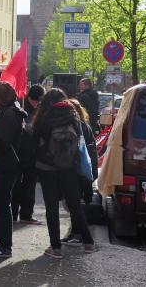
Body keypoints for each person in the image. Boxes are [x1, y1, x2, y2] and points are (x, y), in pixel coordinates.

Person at [32, 88, 96, 258]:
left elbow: (34, 139)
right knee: (75, 205)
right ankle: (88, 243)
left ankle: (56, 248)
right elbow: (81, 141)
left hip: (47, 168)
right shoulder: (73, 115)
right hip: (69, 167)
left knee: (51, 208)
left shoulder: (44, 117)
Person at [0, 82, 26, 258]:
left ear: (0, 97)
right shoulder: (11, 112)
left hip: (6, 165)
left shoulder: (9, 115)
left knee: (2, 204)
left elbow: (2, 140)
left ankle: (5, 246)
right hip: (6, 165)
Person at [61, 98, 99, 246]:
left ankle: (78, 235)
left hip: (78, 171)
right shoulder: (85, 125)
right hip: (84, 171)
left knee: (75, 204)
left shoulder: (78, 127)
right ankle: (76, 233)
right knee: (75, 203)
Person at [12, 84, 45, 225]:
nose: (39, 103)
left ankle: (26, 214)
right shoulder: (19, 107)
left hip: (32, 153)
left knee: (30, 185)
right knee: (16, 185)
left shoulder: (40, 109)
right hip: (18, 153)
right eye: (38, 100)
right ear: (32, 98)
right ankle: (13, 213)